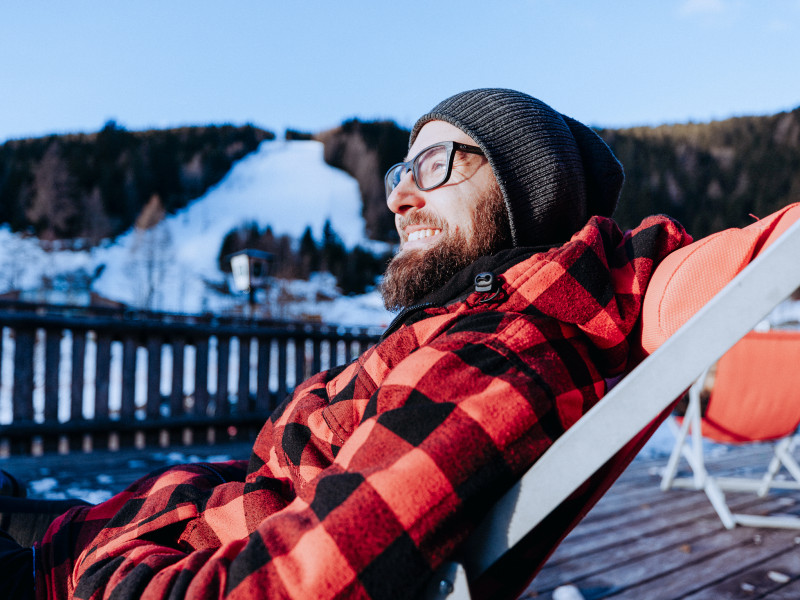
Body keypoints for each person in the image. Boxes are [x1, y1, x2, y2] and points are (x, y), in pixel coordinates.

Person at [0, 88, 690, 599]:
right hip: (134, 533)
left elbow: (301, 583)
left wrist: (96, 577)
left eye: (438, 164)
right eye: (401, 172)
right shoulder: (461, 329)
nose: (399, 198)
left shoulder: (490, 358)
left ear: (523, 192)